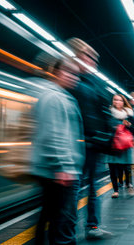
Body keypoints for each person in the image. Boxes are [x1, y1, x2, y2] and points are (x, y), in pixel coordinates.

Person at [30, 57, 84, 245]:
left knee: (54, 218)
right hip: (61, 172)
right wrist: (64, 166)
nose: (75, 78)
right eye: (70, 73)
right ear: (57, 73)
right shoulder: (53, 97)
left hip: (57, 170)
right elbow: (54, 134)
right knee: (65, 223)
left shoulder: (59, 96)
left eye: (76, 74)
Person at [66, 38, 112, 239]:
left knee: (91, 187)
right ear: (77, 56)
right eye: (89, 57)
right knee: (73, 189)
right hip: (75, 145)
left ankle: (92, 226)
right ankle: (68, 229)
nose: (93, 62)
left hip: (93, 145)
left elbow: (103, 110)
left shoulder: (95, 82)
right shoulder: (71, 80)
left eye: (94, 59)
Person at [105, 94, 134, 198]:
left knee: (127, 167)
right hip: (112, 143)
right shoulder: (108, 113)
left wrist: (129, 126)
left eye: (119, 100)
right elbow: (105, 126)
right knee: (112, 168)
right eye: (115, 100)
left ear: (123, 102)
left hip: (126, 145)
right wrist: (114, 127)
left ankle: (128, 184)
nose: (117, 102)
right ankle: (116, 190)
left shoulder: (129, 114)